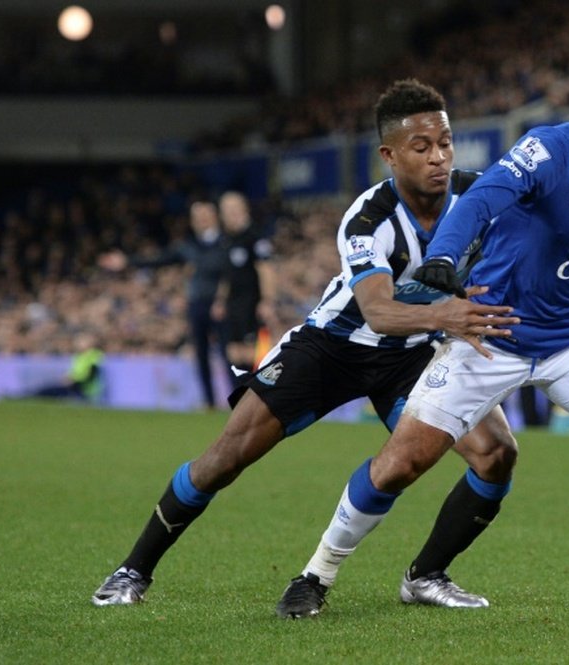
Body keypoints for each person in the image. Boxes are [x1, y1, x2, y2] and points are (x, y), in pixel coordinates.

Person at [288, 45, 569, 618]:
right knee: (402, 463)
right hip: (490, 333)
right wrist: (444, 257)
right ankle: (315, 575)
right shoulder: (550, 149)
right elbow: (480, 199)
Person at [91, 80, 521, 614]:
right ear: (389, 155)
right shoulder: (368, 219)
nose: (438, 157)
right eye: (421, 147)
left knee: (495, 454)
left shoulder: (477, 197)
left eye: (446, 143)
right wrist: (447, 316)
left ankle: (427, 576)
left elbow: (549, 215)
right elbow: (378, 312)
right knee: (224, 460)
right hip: (331, 348)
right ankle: (133, 569)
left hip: (412, 357)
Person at [99, 200, 228, 408]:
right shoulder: (190, 246)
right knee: (201, 353)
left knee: (228, 354)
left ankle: (239, 399)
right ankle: (210, 402)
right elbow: (161, 259)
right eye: (196, 217)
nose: (200, 221)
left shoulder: (227, 243)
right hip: (197, 304)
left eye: (204, 215)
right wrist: (128, 261)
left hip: (222, 305)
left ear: (215, 217)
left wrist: (223, 299)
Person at [215, 191, 278, 376]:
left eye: (233, 209)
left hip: (252, 302)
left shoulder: (255, 236)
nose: (229, 215)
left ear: (244, 210)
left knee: (251, 351)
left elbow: (266, 270)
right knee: (233, 351)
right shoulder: (227, 240)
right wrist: (220, 301)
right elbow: (227, 275)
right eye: (225, 211)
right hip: (233, 304)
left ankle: (255, 395)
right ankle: (240, 398)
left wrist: (267, 300)